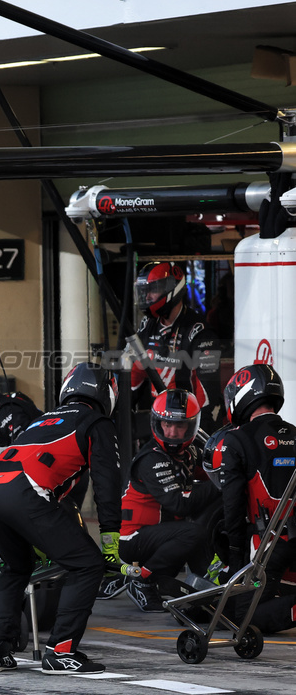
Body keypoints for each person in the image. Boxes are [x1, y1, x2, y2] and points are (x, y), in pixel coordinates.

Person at [0, 362, 120, 675]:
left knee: (16, 567)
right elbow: (107, 485)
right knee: (88, 563)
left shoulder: (43, 419)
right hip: (25, 490)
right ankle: (61, 650)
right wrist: (111, 539)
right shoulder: (97, 421)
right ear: (106, 394)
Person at [117, 389, 219, 612]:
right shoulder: (152, 458)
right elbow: (178, 504)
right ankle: (141, 580)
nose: (172, 432)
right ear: (157, 423)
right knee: (194, 531)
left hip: (162, 537)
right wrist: (224, 482)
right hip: (134, 540)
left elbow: (212, 473)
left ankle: (209, 591)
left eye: (180, 425)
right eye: (167, 424)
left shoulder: (188, 452)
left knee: (204, 521)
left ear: (191, 426)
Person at [218, 364, 296, 634]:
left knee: (242, 620)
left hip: (267, 545)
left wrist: (235, 554)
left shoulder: (237, 439)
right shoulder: (295, 433)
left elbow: (233, 504)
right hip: (290, 544)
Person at [131, 262, 223, 432]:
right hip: (159, 420)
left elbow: (208, 396)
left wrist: (199, 433)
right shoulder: (147, 325)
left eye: (154, 289)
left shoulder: (199, 332)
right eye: (145, 291)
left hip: (189, 425)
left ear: (172, 288)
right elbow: (131, 379)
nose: (148, 296)